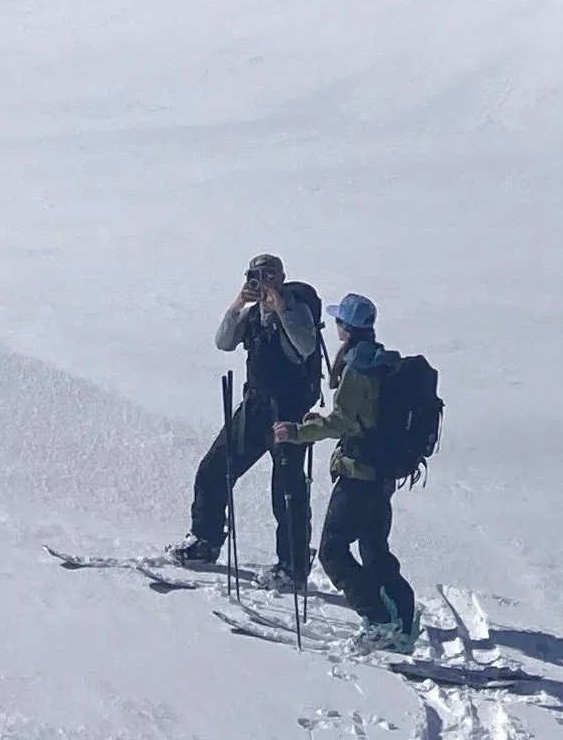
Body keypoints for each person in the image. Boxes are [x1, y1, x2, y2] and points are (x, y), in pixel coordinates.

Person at [274, 292, 418, 646]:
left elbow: (340, 423)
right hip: (382, 474)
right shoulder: (383, 362)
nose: (335, 325)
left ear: (346, 328)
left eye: (339, 321)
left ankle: (378, 619)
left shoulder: (357, 369)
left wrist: (297, 432)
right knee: (374, 548)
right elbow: (361, 418)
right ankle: (403, 619)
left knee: (333, 551)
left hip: (357, 474)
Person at [170, 254, 324, 583]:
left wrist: (281, 310)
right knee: (214, 467)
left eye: (269, 274)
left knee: (287, 488)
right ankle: (205, 541)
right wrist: (238, 304)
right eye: (255, 274)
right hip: (255, 406)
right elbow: (223, 342)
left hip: (290, 413)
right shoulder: (252, 314)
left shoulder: (297, 309)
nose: (262, 281)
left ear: (281, 277)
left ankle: (293, 565)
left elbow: (306, 348)